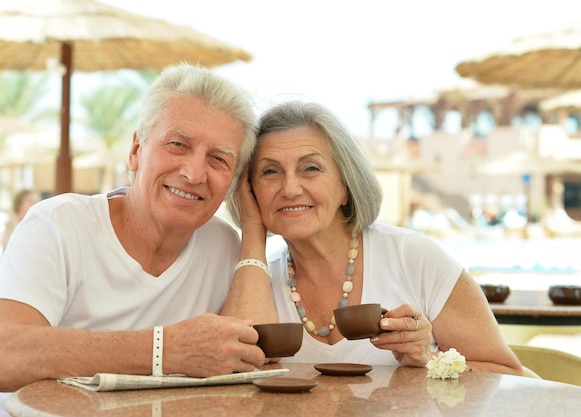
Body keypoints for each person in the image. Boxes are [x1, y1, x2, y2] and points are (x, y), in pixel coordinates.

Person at [0, 63, 277, 392]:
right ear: (135, 151)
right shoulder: (57, 225)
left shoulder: (226, 246)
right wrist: (165, 350)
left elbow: (251, 368)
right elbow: (7, 354)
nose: (194, 173)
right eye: (177, 144)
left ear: (233, 182)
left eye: (219, 159)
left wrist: (253, 229)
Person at [228, 100, 523, 375]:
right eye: (269, 172)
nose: (290, 188)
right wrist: (252, 231)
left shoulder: (414, 258)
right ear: (250, 191)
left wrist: (426, 359)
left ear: (346, 184)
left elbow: (508, 374)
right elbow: (237, 385)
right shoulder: (254, 281)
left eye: (311, 168)